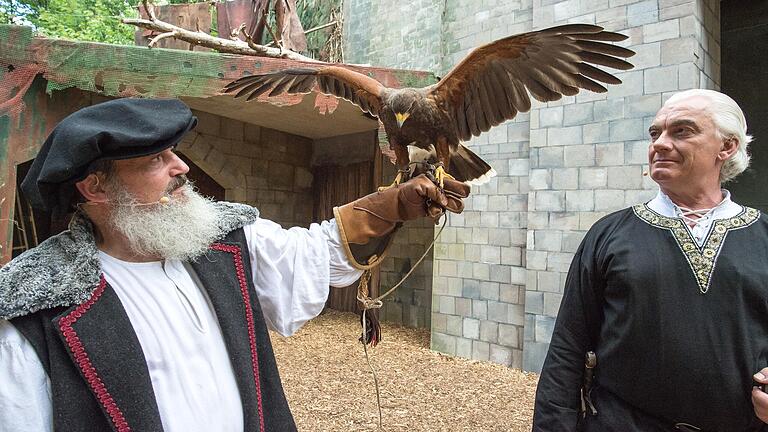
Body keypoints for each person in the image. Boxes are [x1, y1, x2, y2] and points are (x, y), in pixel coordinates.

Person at [0, 98, 470, 432]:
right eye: (156, 159)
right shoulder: (33, 309)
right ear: (96, 189)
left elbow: (313, 255)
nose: (181, 167)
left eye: (174, 152)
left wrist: (392, 205)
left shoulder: (223, 239)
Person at [532, 89, 768, 431]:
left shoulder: (763, 235)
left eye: (682, 131)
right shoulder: (609, 234)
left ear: (727, 147)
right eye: (655, 133)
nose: (659, 143)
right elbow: (567, 349)